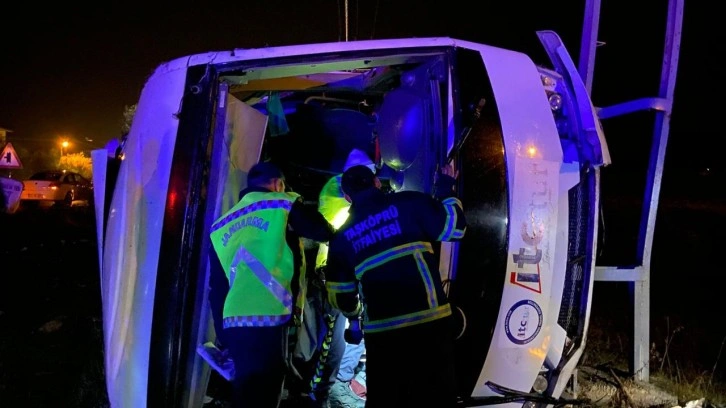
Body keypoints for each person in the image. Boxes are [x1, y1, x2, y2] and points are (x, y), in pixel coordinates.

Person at [325, 163, 466, 408]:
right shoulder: (410, 203)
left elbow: (342, 297)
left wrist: (356, 316)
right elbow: (455, 227)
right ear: (376, 183)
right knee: (436, 396)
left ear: (347, 197)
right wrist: (446, 188)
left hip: (383, 335)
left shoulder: (341, 238)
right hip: (429, 325)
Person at [208, 161, 334, 408]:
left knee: (245, 392)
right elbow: (323, 231)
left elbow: (217, 286)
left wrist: (223, 334)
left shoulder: (221, 225)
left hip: (233, 321)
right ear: (278, 184)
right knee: (267, 391)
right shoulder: (282, 203)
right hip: (269, 313)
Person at [294, 148, 374, 407]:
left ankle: (326, 390)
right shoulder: (337, 191)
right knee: (330, 344)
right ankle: (318, 394)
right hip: (333, 276)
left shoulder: (344, 190)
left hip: (342, 275)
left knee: (336, 341)